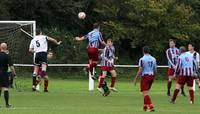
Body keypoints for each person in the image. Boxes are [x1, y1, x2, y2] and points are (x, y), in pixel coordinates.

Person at [132, 46, 157, 112]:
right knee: (146, 92)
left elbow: (140, 70)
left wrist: (135, 78)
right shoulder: (153, 59)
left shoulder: (142, 59)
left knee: (145, 93)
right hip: (151, 76)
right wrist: (153, 78)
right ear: (149, 51)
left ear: (143, 51)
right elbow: (155, 70)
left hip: (145, 76)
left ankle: (151, 106)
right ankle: (145, 107)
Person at [0, 43, 16, 108]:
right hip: (4, 73)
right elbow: (11, 67)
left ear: (0, 47)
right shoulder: (7, 56)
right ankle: (7, 104)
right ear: (6, 48)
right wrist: (14, 74)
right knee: (5, 88)